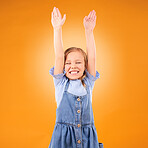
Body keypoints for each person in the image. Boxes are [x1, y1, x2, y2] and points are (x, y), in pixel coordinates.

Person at [48, 6, 103, 148]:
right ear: (64, 67)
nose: (73, 66)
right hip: (63, 140)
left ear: (85, 66)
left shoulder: (88, 82)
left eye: (78, 62)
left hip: (86, 138)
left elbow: (92, 57)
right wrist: (57, 28)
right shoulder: (60, 83)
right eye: (69, 63)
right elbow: (59, 55)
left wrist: (89, 31)